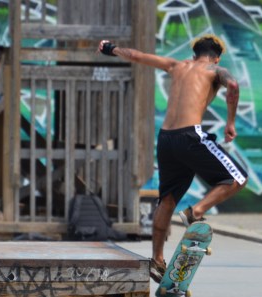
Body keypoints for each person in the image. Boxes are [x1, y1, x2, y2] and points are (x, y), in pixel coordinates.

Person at [98, 35, 248, 283]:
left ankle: (157, 260)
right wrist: (230, 122)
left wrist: (110, 49)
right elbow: (233, 86)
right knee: (237, 178)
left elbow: (136, 56)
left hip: (166, 138)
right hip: (191, 136)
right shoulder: (216, 69)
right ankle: (195, 212)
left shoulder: (176, 65)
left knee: (166, 200)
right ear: (217, 56)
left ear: (193, 55)